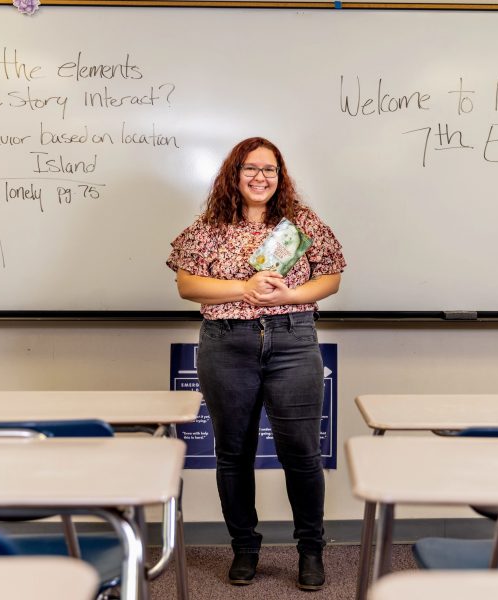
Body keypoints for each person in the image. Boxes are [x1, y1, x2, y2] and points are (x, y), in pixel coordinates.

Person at [166, 137, 346, 591]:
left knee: (301, 454)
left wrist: (292, 295)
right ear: (235, 173)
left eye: (270, 170)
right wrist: (243, 289)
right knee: (233, 454)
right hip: (227, 343)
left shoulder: (301, 222)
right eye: (251, 168)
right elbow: (187, 286)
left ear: (280, 177)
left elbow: (331, 277)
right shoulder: (209, 227)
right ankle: (244, 548)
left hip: (292, 340)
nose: (260, 177)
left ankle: (311, 550)